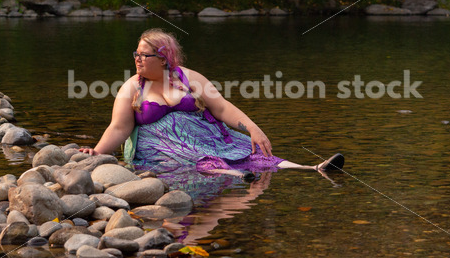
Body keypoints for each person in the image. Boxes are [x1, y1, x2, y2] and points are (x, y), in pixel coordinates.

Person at [80, 28, 343, 179]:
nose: (137, 59)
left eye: (144, 55)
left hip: (209, 138)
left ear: (163, 59)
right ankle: (237, 176)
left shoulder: (188, 77)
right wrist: (97, 152)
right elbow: (118, 128)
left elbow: (221, 108)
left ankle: (313, 168)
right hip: (164, 149)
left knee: (256, 153)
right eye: (136, 53)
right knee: (203, 160)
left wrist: (252, 127)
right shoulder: (132, 88)